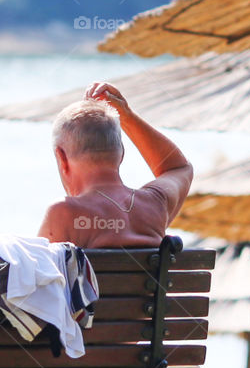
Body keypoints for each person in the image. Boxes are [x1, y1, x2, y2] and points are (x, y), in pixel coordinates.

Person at [38, 83, 193, 248]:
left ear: (61, 158)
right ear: (122, 154)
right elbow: (179, 167)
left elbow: (34, 271)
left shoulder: (64, 213)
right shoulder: (155, 204)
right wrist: (127, 116)